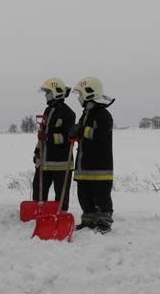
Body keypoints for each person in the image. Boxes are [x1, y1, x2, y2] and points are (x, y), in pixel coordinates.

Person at [71, 77, 115, 233]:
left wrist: (82, 130)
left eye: (80, 94)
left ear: (89, 93)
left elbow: (100, 135)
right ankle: (88, 220)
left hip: (99, 167)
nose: (79, 98)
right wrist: (74, 133)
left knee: (101, 196)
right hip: (84, 165)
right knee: (84, 196)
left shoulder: (103, 115)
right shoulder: (85, 114)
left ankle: (104, 221)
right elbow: (84, 135)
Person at [32, 78, 76, 211]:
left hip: (61, 163)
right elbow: (42, 135)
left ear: (56, 92)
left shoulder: (68, 114)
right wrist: (37, 151)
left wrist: (48, 137)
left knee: (61, 194)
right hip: (44, 161)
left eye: (48, 92)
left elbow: (67, 137)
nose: (45, 95)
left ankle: (61, 215)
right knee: (38, 190)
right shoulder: (47, 111)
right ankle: (38, 212)